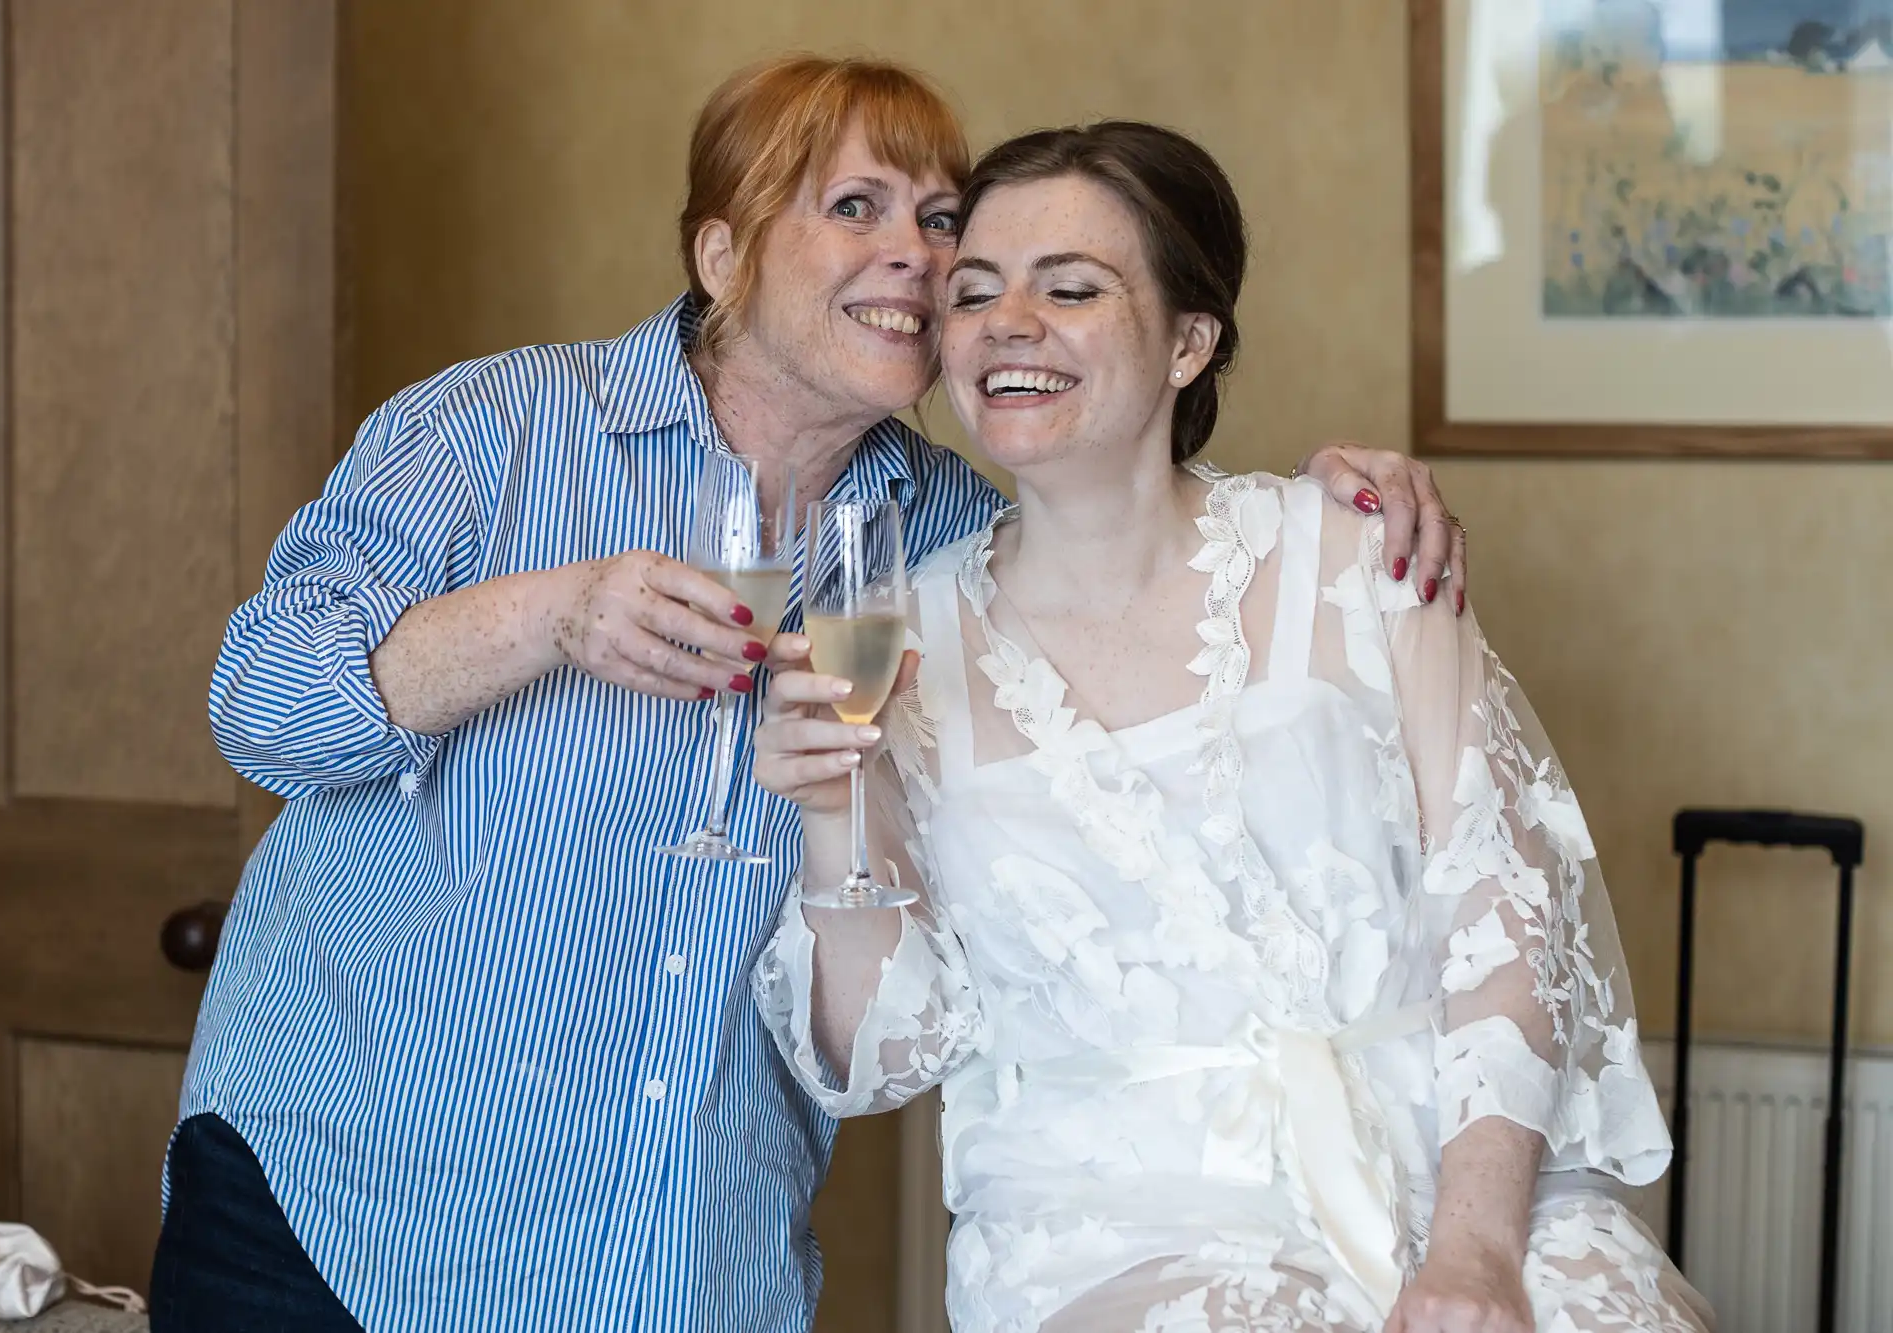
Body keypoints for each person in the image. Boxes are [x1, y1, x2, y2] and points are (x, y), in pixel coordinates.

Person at [153, 58, 1472, 1333]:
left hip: (677, 1251)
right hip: (341, 1213)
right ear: (722, 258)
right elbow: (262, 709)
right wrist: (545, 614)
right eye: (856, 208)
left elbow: (1144, 547)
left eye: (940, 218)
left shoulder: (952, 531)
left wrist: (1317, 507)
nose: (918, 251)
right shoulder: (495, 429)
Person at [751, 122, 1714, 1333]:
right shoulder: (892, 636)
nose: (1005, 324)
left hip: (1451, 1183)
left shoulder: (1361, 556)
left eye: (1071, 288)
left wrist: (1471, 1254)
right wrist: (830, 808)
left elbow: (1504, 912)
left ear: (1189, 341)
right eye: (974, 293)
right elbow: (883, 1058)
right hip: (1114, 1236)